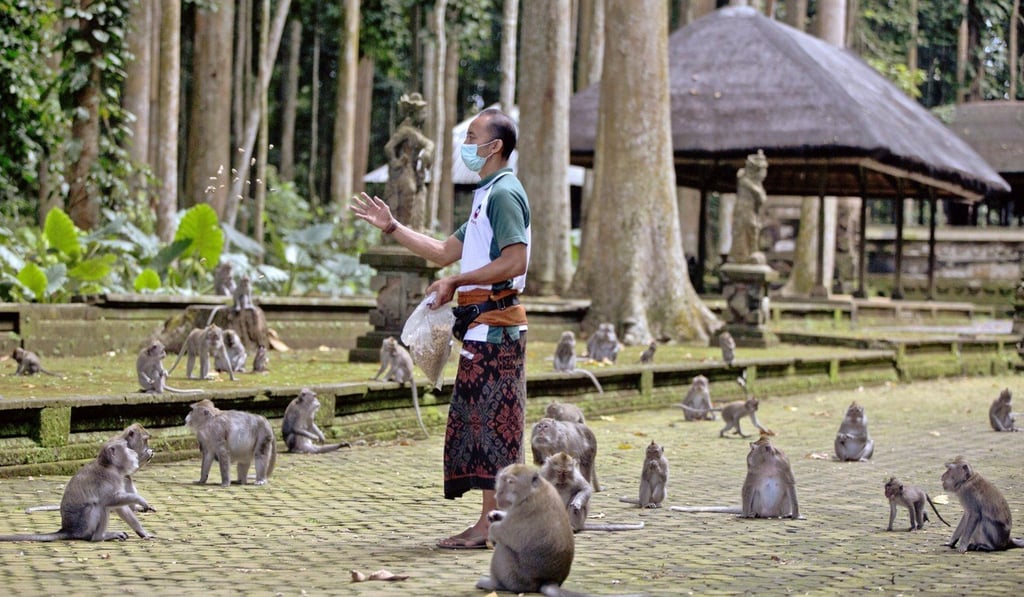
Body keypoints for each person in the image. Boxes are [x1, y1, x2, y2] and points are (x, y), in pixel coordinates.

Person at [351, 107, 531, 550]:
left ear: (495, 147)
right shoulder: (485, 195)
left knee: (493, 427)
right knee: (479, 424)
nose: (466, 145)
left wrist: (456, 281)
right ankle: (494, 521)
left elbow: (516, 261)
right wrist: (392, 226)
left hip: (496, 327)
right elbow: (441, 252)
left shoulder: (505, 193)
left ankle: (493, 526)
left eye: (472, 137)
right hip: (478, 326)